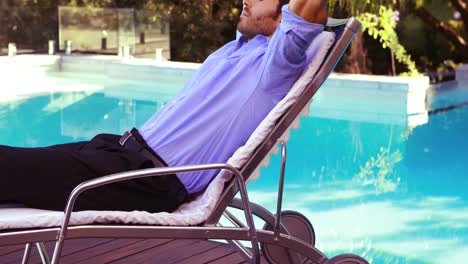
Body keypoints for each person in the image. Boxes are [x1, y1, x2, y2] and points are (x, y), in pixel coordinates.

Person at [0, 0, 328, 213]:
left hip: (148, 180)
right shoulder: (241, 46)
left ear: (285, 11)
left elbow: (310, 6)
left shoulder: (278, 65)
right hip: (117, 152)